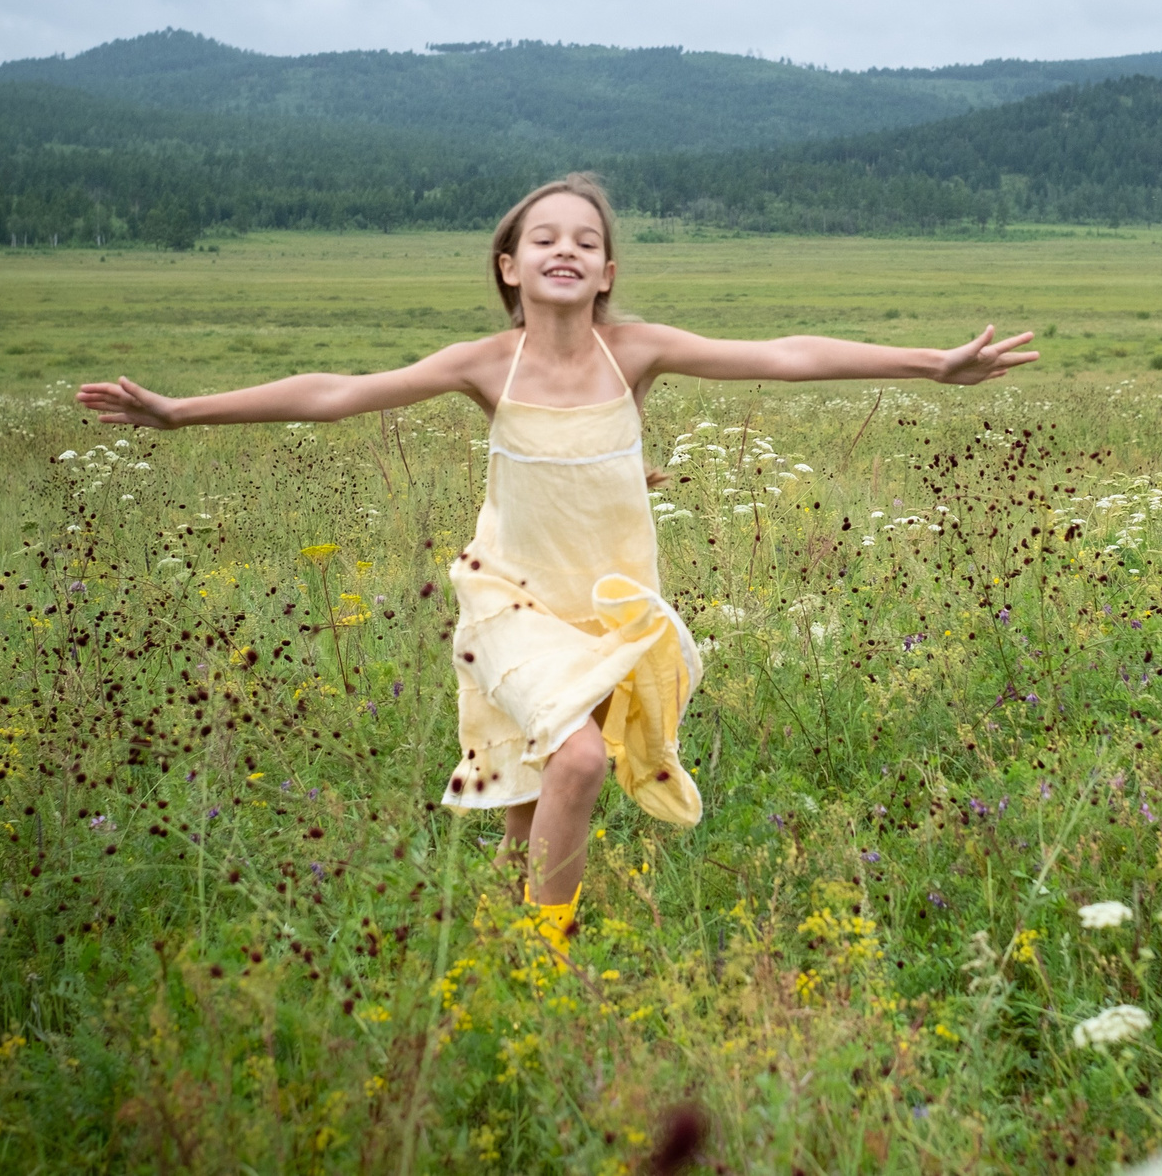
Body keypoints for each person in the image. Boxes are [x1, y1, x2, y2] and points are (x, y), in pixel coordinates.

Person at [76, 173, 1034, 951]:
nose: (565, 248)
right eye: (544, 238)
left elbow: (787, 352)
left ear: (608, 269)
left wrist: (930, 364)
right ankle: (547, 963)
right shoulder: (485, 363)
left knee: (524, 811)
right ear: (510, 265)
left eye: (584, 237)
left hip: (607, 612)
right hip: (512, 602)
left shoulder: (639, 351)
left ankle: (505, 931)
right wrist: (178, 412)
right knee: (574, 760)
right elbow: (336, 390)